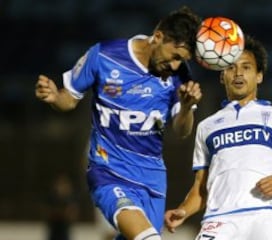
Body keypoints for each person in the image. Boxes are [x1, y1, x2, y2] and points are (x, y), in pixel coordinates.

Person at [35, 6, 202, 240]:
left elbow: (182, 131)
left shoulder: (180, 74)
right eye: (175, 56)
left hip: (152, 180)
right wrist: (55, 97)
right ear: (159, 37)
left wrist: (185, 107)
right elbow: (69, 100)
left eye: (182, 60)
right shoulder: (104, 56)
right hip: (108, 172)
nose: (176, 65)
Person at [164, 35, 272, 240]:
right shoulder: (206, 126)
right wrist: (183, 210)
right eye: (231, 67)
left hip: (266, 217)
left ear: (259, 76)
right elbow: (201, 187)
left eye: (246, 67)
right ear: (222, 75)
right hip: (219, 220)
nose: (238, 73)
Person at [44, 174, 78, 240]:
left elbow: (72, 215)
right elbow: (47, 214)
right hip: (54, 233)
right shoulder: (51, 199)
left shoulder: (69, 200)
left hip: (64, 233)